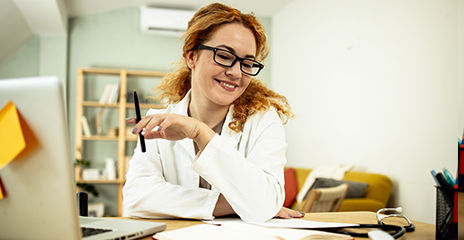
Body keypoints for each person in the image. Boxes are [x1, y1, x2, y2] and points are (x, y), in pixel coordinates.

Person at [123, 2, 302, 223]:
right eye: (225, 56)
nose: (236, 72)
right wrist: (235, 204)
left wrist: (200, 132)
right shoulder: (156, 122)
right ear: (191, 56)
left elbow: (265, 204)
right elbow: (135, 198)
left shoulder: (264, 120)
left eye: (247, 63)